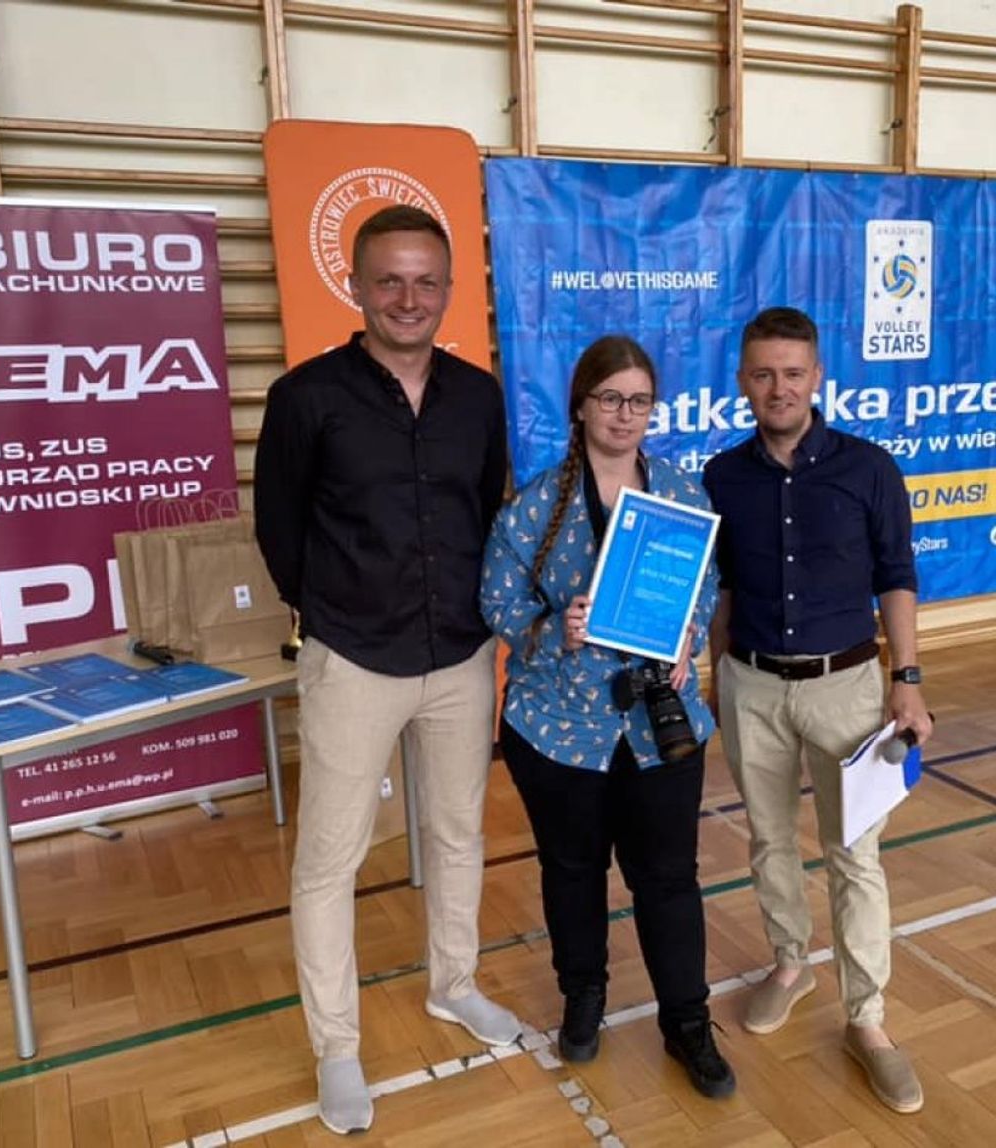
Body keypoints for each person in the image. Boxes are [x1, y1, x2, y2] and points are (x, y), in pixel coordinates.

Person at [253, 204, 521, 1136]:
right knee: (329, 860)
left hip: (460, 653)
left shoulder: (478, 396)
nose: (410, 298)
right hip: (353, 658)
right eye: (390, 281)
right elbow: (279, 529)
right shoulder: (305, 398)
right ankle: (337, 1046)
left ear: (448, 290)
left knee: (456, 834)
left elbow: (486, 509)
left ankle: (454, 983)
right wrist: (331, 610)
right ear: (357, 286)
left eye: (427, 281)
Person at [480, 335, 736, 1100]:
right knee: (572, 871)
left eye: (639, 401)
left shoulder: (682, 496)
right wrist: (551, 629)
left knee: (669, 879)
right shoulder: (535, 507)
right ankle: (583, 996)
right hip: (559, 726)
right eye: (610, 398)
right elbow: (497, 599)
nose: (625, 414)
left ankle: (686, 1022)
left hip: (660, 726)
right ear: (581, 406)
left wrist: (689, 634)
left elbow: (705, 582)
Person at [703, 306, 933, 1115]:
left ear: (817, 378)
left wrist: (908, 679)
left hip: (849, 687)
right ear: (743, 381)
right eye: (764, 374)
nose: (779, 388)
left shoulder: (869, 469)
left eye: (793, 373)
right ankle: (790, 962)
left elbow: (896, 575)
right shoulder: (722, 477)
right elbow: (722, 588)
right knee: (769, 839)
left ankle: (867, 1018)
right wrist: (717, 674)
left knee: (854, 855)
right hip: (752, 684)